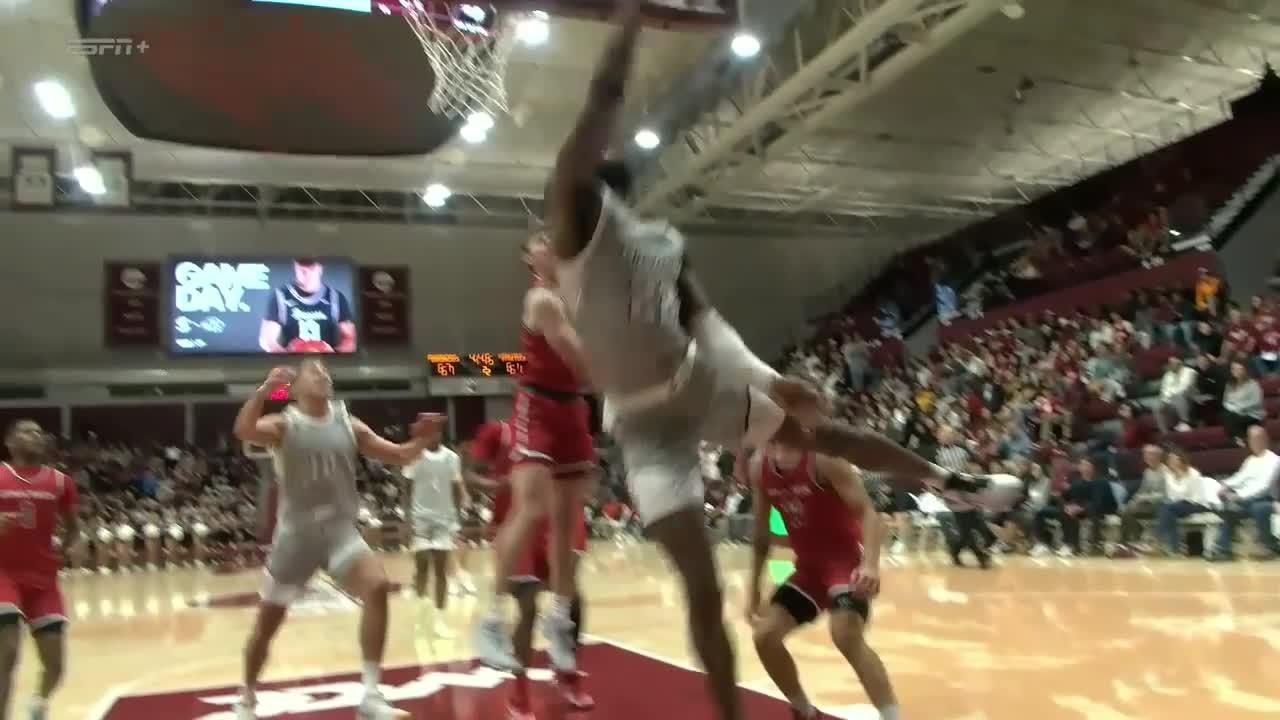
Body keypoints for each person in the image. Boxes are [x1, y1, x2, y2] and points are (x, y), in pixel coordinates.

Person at [533, 3, 1016, 717]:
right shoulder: (576, 229)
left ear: (603, 189)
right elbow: (597, 111)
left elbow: (707, 322)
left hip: (696, 384)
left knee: (825, 438)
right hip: (644, 428)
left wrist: (770, 380)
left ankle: (954, 484)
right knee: (702, 591)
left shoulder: (651, 238)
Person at [230, 358, 442, 719]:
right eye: (314, 371)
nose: (323, 374)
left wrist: (423, 438)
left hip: (341, 533)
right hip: (296, 539)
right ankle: (246, 698)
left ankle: (372, 696)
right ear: (295, 389)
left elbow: (398, 454)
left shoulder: (349, 422)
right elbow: (245, 430)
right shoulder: (285, 424)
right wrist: (265, 391)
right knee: (267, 627)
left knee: (377, 587)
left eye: (326, 371)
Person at [474, 231, 598, 674]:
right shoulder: (542, 299)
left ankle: (561, 618)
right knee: (532, 508)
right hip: (539, 404)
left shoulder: (577, 291)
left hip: (572, 408)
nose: (552, 241)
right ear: (531, 258)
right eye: (541, 240)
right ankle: (490, 618)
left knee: (567, 520)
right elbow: (577, 356)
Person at [744, 445, 898, 720]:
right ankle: (804, 711)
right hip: (808, 572)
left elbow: (868, 513)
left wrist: (871, 564)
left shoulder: (824, 457)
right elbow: (761, 532)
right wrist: (753, 588)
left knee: (845, 635)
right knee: (765, 637)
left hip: (846, 565)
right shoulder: (759, 465)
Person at [469, 420, 593, 718]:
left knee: (573, 601)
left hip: (561, 519)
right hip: (518, 522)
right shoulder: (499, 431)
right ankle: (520, 691)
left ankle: (568, 674)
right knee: (528, 605)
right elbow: (470, 472)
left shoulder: (567, 423)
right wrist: (495, 485)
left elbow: (585, 471)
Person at [0, 420, 78, 720]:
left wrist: (72, 546)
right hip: (4, 575)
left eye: (38, 432)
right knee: (6, 655)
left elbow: (73, 530)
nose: (34, 436)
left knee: (56, 665)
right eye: (26, 431)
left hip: (43, 581)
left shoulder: (61, 482)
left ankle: (39, 702)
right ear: (10, 442)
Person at [402, 419, 466, 637]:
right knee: (421, 569)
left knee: (441, 572)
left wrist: (457, 519)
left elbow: (456, 487)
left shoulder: (452, 458)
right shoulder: (414, 456)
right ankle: (421, 619)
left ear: (440, 433)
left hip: (443, 520)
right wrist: (406, 520)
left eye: (435, 431)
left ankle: (439, 621)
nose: (432, 434)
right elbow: (406, 489)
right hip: (420, 519)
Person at [1210, 425, 1280, 561]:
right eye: (1252, 439)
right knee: (1230, 509)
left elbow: (1264, 486)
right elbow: (1239, 477)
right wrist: (1225, 485)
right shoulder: (1250, 460)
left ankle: (1269, 545)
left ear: (1265, 439)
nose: (1254, 442)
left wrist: (1239, 496)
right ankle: (1223, 549)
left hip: (1265, 499)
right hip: (1245, 500)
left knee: (1258, 508)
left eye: (1257, 438)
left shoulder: (1275, 460)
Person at [259, 258, 357, 354]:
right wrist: (287, 357)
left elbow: (351, 339)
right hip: (292, 364)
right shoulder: (280, 296)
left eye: (311, 268)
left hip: (326, 364)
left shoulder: (335, 297)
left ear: (320, 267)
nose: (306, 273)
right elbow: (267, 340)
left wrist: (332, 354)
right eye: (302, 269)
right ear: (295, 266)